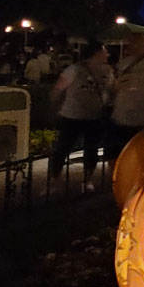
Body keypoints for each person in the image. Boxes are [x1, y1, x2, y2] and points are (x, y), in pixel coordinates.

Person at [50, 43, 113, 190]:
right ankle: (54, 179)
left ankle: (87, 179)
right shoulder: (75, 69)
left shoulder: (108, 71)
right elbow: (58, 89)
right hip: (72, 115)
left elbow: (111, 90)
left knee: (92, 149)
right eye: (105, 52)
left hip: (95, 115)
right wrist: (55, 107)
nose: (107, 55)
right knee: (63, 148)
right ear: (96, 53)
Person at [108, 33, 144, 160]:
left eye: (132, 43)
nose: (128, 47)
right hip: (123, 118)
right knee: (119, 156)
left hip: (139, 120)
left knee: (134, 157)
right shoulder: (127, 63)